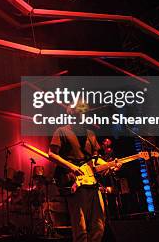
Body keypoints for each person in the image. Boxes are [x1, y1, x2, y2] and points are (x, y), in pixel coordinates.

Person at [48, 103, 119, 242]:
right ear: (71, 113)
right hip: (75, 182)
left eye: (85, 112)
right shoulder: (61, 131)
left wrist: (110, 166)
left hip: (92, 183)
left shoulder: (90, 134)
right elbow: (51, 154)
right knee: (80, 228)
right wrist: (71, 167)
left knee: (99, 225)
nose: (84, 114)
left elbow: (95, 159)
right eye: (81, 111)